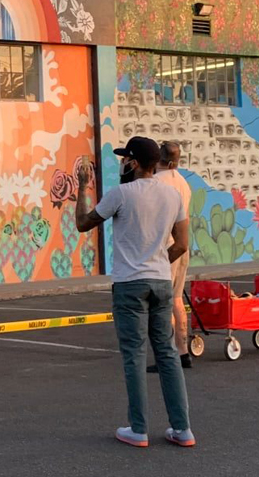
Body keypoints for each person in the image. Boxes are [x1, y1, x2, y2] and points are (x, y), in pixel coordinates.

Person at [74, 137, 195, 448]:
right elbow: (181, 244)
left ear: (136, 162)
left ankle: (138, 428)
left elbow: (83, 223)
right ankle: (182, 429)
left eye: (125, 158)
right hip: (160, 282)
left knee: (134, 356)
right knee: (167, 354)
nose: (122, 163)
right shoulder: (172, 195)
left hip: (129, 284)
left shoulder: (121, 194)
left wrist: (83, 186)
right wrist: (156, 262)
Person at [149, 140, 194, 372]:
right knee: (177, 299)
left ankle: (166, 356)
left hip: (165, 246)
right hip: (183, 243)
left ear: (160, 159)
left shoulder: (155, 182)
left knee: (162, 303)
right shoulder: (183, 183)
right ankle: (183, 351)